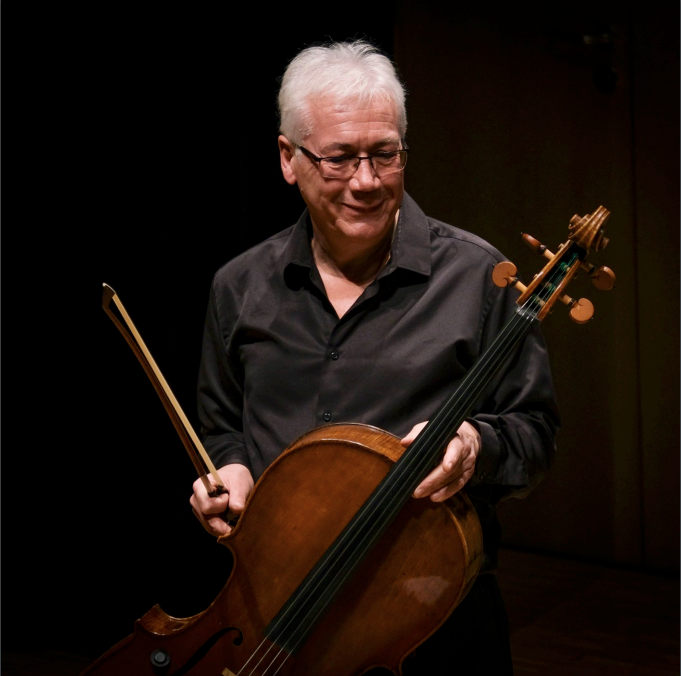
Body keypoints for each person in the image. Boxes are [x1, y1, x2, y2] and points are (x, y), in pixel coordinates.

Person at [190, 40, 559, 675]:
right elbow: (221, 423)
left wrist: (474, 446)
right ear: (288, 159)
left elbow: (536, 434)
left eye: (385, 154)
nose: (366, 181)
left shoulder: (478, 278)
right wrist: (230, 470)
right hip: (276, 613)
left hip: (428, 620)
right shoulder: (239, 286)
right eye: (339, 158)